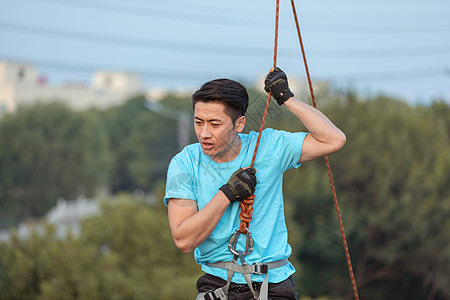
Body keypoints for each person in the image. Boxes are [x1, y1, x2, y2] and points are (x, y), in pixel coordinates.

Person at [164, 67, 346, 300]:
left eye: (215, 124)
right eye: (199, 122)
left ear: (239, 124)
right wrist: (227, 195)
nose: (204, 133)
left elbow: (334, 139)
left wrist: (287, 99)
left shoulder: (270, 146)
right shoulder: (185, 163)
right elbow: (183, 240)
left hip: (275, 285)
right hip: (218, 285)